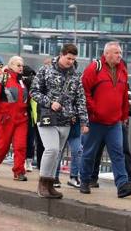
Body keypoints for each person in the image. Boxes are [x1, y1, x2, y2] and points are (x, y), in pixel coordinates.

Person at [79, 41, 131, 198]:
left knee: (118, 153)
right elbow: (84, 91)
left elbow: (124, 94)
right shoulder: (94, 68)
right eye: (117, 53)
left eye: (120, 52)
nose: (120, 56)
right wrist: (94, 111)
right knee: (89, 153)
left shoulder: (122, 70)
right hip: (95, 121)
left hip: (114, 122)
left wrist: (124, 115)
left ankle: (122, 185)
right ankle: (84, 180)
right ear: (107, 54)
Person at [31, 44, 89, 199]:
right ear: (61, 55)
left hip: (66, 119)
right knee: (52, 150)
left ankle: (50, 185)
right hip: (47, 116)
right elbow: (34, 91)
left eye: (73, 59)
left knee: (57, 154)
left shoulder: (76, 76)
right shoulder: (46, 70)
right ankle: (42, 183)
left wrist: (84, 122)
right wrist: (50, 102)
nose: (71, 61)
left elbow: (80, 99)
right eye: (68, 58)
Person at [0, 56, 30, 181]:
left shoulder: (23, 80)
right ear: (11, 66)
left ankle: (19, 172)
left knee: (20, 146)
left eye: (22, 65)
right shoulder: (2, 78)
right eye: (18, 65)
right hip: (6, 118)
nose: (21, 67)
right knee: (3, 146)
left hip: (21, 118)